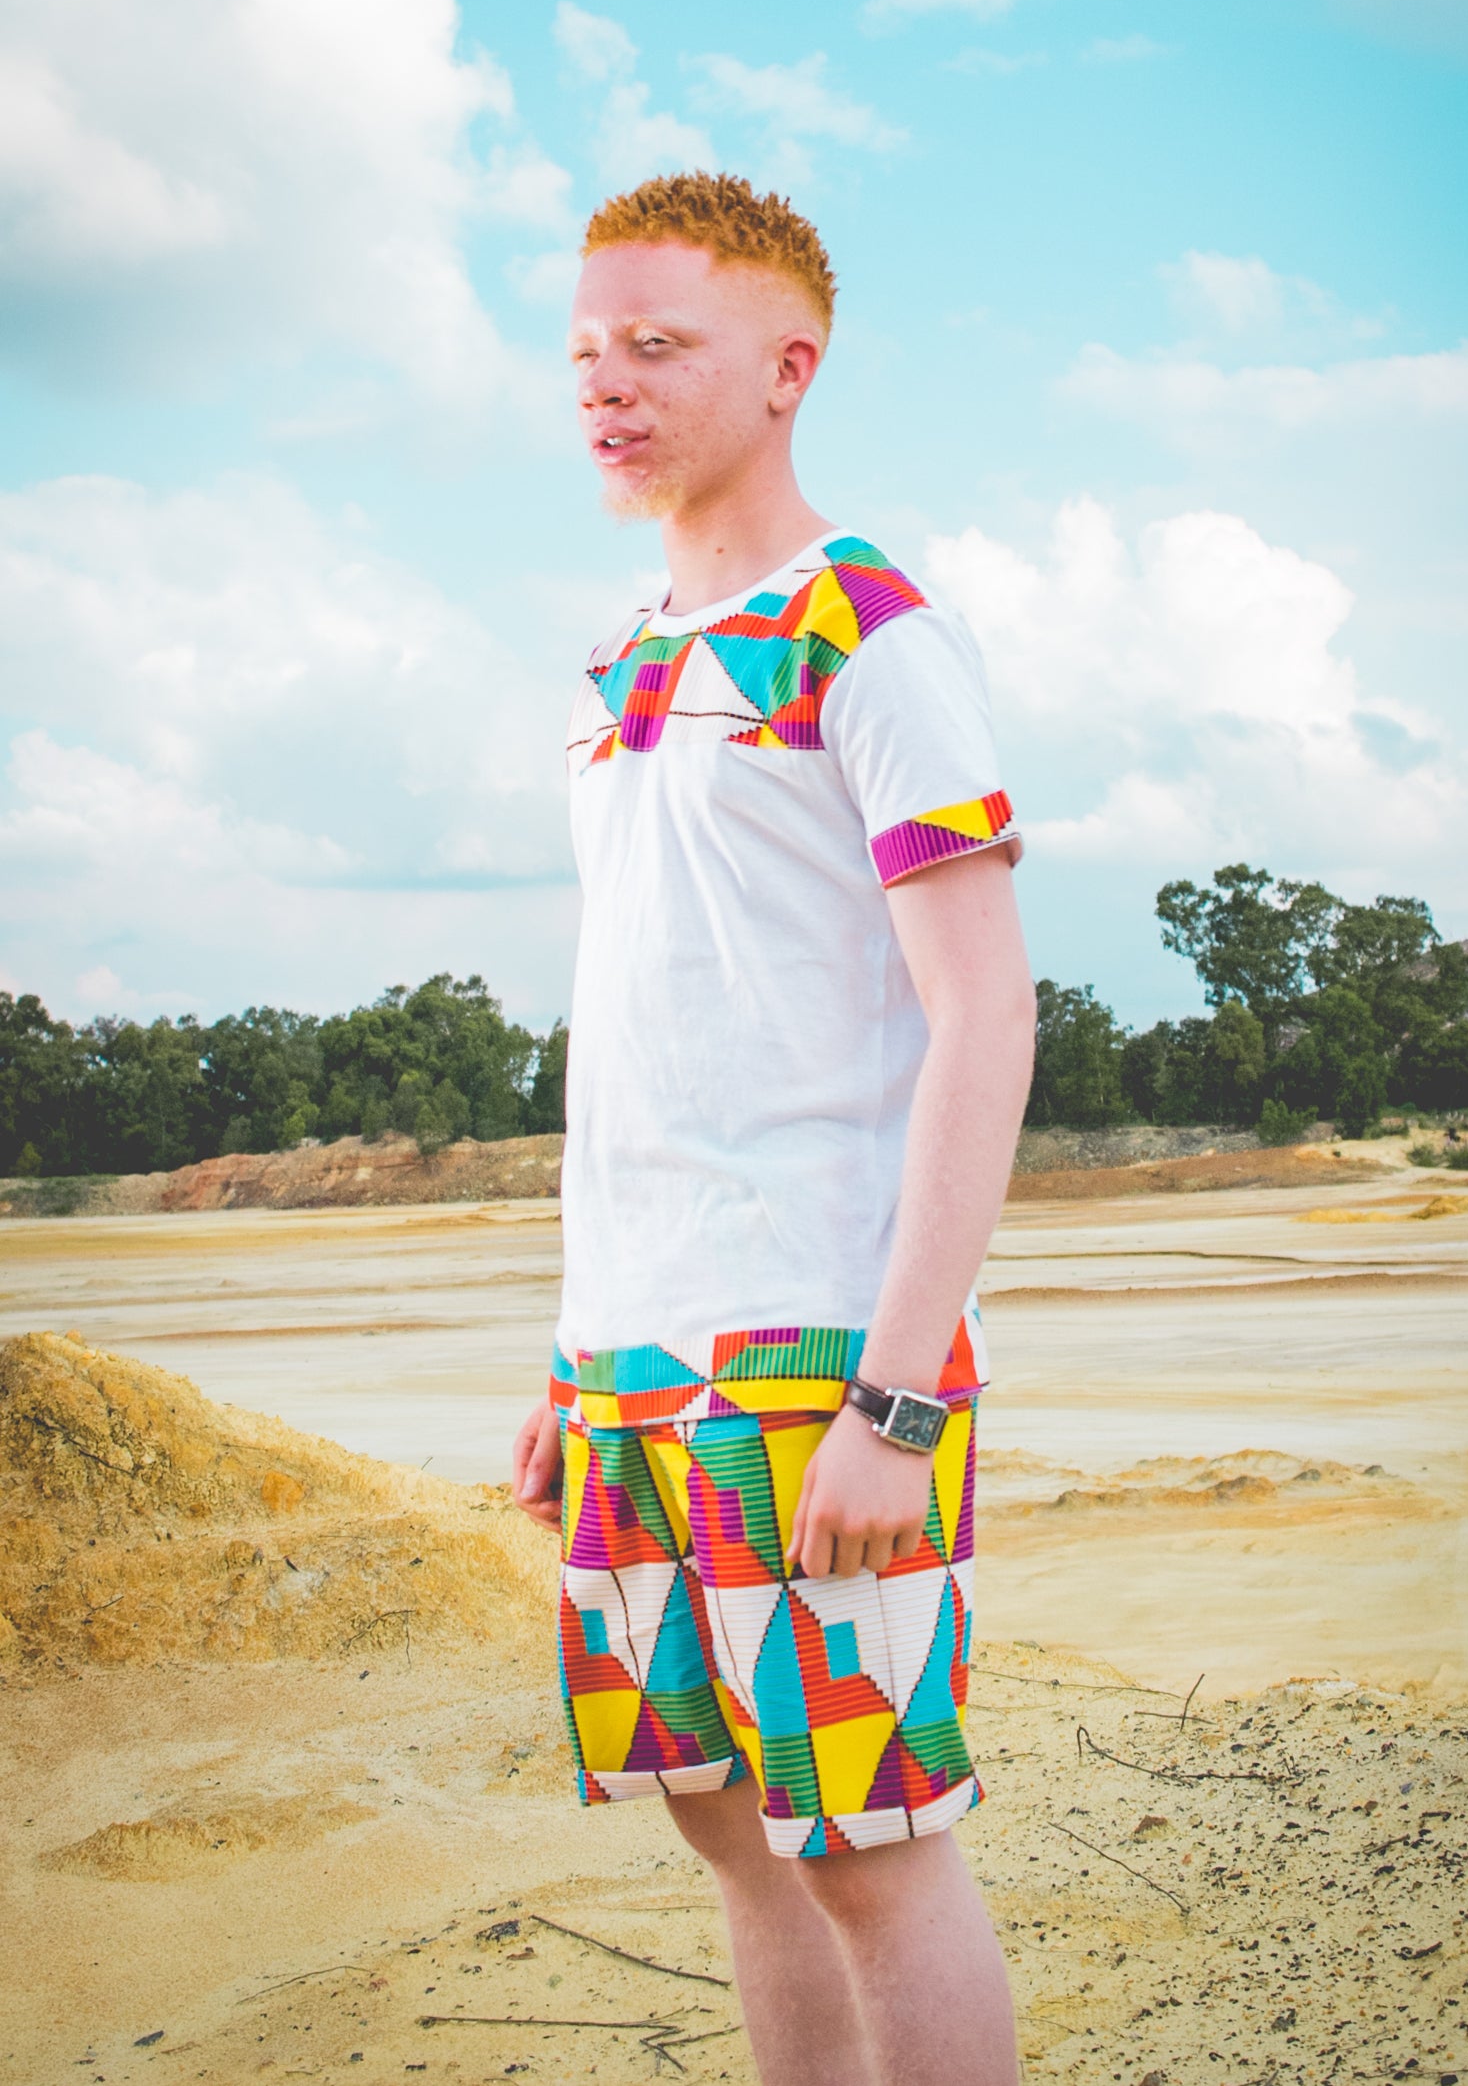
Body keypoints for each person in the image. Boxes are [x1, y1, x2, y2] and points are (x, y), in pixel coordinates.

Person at [511, 171, 1034, 2086]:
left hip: (819, 1359)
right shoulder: (619, 667)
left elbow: (986, 1014)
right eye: (588, 350)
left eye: (658, 346)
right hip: (633, 1359)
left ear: (788, 368)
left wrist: (895, 1396)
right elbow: (651, 1035)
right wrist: (569, 1351)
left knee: (872, 1852)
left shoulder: (865, 629)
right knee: (728, 1833)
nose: (607, 384)